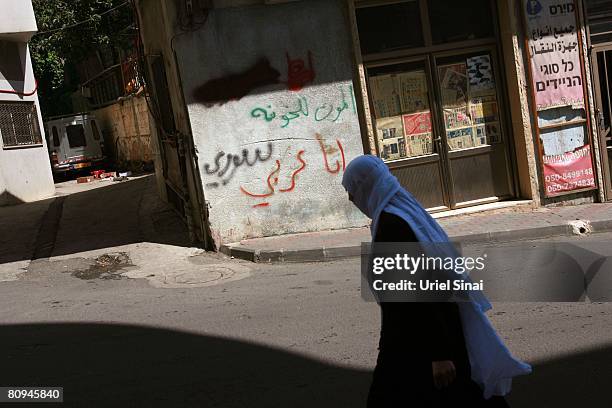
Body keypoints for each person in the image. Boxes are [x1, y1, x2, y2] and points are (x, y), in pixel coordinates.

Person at [341, 155, 531, 408]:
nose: (351, 198)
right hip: (416, 342)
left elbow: (426, 291)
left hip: (415, 346)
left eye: (352, 190)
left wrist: (439, 354)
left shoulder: (393, 226)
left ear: (367, 186)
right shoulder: (397, 217)